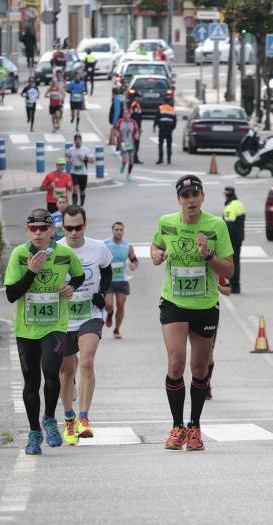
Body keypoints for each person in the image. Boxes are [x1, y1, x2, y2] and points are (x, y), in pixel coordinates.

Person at [150, 175, 234, 452]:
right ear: (179, 200)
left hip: (205, 305)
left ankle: (195, 426)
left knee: (199, 367)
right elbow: (156, 246)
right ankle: (177, 427)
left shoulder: (216, 226)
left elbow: (229, 270)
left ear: (202, 196)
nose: (191, 200)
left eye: (195, 195)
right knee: (176, 363)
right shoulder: (166, 222)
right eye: (185, 196)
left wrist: (209, 256)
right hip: (174, 303)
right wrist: (156, 255)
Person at [5, 209, 85, 454]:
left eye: (43, 228)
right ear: (27, 231)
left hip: (55, 325)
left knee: (51, 372)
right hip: (26, 328)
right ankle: (33, 432)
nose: (38, 233)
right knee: (31, 382)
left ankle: (49, 419)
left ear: (53, 230)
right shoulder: (19, 255)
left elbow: (79, 277)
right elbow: (11, 295)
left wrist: (71, 287)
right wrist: (31, 272)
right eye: (33, 229)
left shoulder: (64, 254)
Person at [59, 205, 113, 445]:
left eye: (78, 227)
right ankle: (69, 419)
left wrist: (102, 292)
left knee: (88, 362)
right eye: (69, 228)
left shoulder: (98, 248)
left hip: (90, 314)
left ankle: (84, 418)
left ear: (85, 225)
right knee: (66, 372)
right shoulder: (55, 250)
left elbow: (107, 270)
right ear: (63, 227)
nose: (73, 233)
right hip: (63, 318)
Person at [103, 222, 138, 339]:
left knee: (121, 305)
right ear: (112, 231)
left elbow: (134, 260)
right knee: (108, 304)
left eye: (121, 230)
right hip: (108, 280)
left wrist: (134, 265)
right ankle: (109, 313)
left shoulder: (127, 246)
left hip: (122, 280)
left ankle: (117, 329)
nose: (118, 232)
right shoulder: (105, 244)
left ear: (123, 231)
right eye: (116, 229)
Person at [207, 276, 231, 400]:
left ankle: (206, 385)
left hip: (209, 312)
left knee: (208, 354)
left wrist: (216, 286)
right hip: (185, 310)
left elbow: (228, 291)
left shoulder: (213, 266)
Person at [223, 186, 246, 294]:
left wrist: (225, 240)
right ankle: (236, 285)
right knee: (236, 261)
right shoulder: (239, 204)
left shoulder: (230, 207)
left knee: (232, 262)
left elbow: (229, 226)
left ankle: (234, 285)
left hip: (232, 238)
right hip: (239, 236)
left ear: (226, 195)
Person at [66, 133, 93, 206]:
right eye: (76, 140)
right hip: (74, 173)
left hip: (83, 173)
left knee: (82, 191)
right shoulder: (71, 149)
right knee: (75, 189)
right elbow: (68, 157)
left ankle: (81, 204)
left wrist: (84, 158)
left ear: (81, 141)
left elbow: (92, 161)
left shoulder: (86, 150)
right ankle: (74, 205)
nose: (78, 141)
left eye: (79, 140)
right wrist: (69, 159)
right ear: (74, 141)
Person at [114, 108, 139, 181]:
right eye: (124, 114)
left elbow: (137, 131)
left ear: (130, 115)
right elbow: (115, 128)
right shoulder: (120, 121)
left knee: (131, 160)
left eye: (127, 114)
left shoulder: (134, 122)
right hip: (123, 143)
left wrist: (137, 135)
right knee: (125, 160)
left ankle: (128, 175)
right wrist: (116, 133)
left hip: (131, 143)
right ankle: (123, 165)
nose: (126, 116)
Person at [154, 98, 177, 165]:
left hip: (162, 128)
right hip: (169, 128)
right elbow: (175, 120)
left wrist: (154, 126)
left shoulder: (160, 108)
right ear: (169, 102)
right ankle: (169, 160)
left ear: (164, 102)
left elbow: (157, 118)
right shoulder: (172, 109)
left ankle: (160, 159)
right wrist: (172, 128)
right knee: (169, 145)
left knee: (160, 144)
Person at [129, 92, 144, 164]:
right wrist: (138, 127)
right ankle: (134, 158)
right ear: (136, 98)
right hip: (135, 127)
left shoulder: (137, 105)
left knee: (135, 143)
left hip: (136, 127)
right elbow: (136, 117)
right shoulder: (134, 105)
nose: (141, 98)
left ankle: (135, 157)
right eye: (140, 97)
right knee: (135, 143)